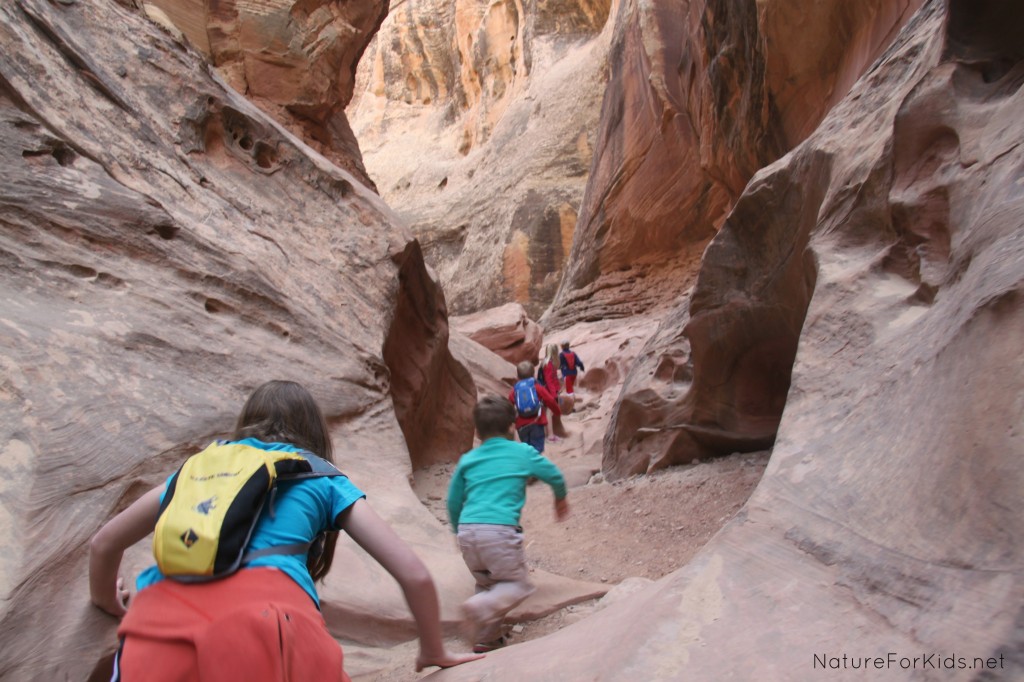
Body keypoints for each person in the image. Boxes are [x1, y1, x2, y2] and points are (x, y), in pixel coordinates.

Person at [89, 380, 482, 681]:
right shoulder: (320, 477)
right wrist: (433, 649)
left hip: (155, 627)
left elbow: (104, 543)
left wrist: (108, 601)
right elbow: (412, 573)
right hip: (269, 628)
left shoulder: (196, 472)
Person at [447, 395, 569, 653]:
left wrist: (458, 530)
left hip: (469, 532)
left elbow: (453, 500)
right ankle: (476, 608)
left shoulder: (468, 459)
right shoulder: (522, 452)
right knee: (517, 586)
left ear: (478, 432)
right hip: (499, 533)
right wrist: (560, 500)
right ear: (512, 427)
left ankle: (487, 639)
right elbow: (555, 476)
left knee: (489, 585)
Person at [508, 360, 560, 454]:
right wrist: (557, 411)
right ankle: (536, 466)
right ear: (533, 375)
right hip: (537, 421)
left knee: (525, 448)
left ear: (518, 376)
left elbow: (508, 405)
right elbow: (550, 400)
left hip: (521, 425)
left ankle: (526, 465)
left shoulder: (515, 390)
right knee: (537, 449)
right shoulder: (537, 387)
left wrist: (511, 420)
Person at [537, 344, 563, 441]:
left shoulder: (548, 363)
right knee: (549, 412)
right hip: (547, 391)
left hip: (546, 390)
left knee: (547, 412)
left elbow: (553, 378)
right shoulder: (548, 364)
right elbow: (549, 380)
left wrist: (557, 389)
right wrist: (554, 395)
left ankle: (547, 434)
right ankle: (550, 435)